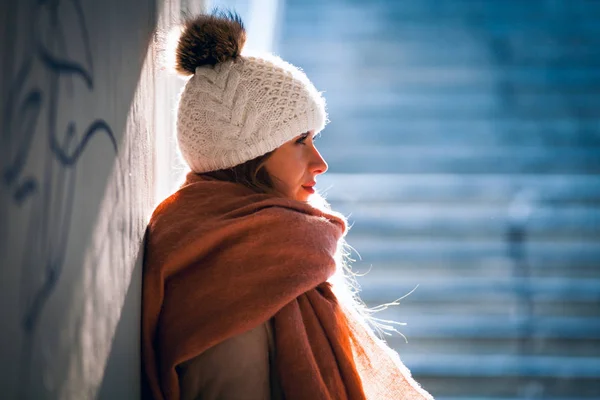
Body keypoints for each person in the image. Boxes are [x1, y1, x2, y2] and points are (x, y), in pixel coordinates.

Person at [141, 10, 433, 400]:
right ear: (247, 154)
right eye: (300, 140)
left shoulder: (262, 250)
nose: (321, 163)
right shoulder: (232, 280)